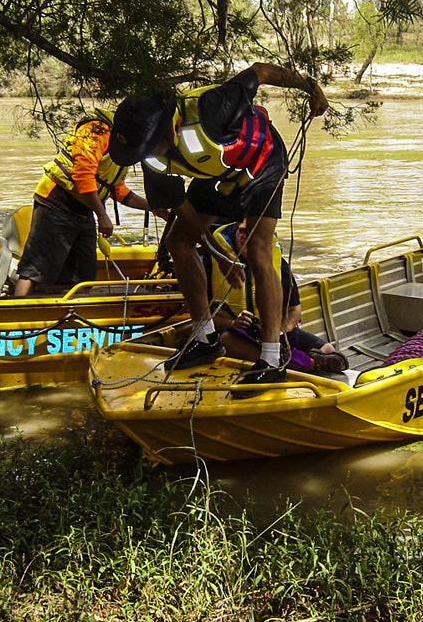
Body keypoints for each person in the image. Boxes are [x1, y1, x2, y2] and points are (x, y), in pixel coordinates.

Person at [108, 63, 329, 393]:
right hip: (221, 176)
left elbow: (261, 71)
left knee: (257, 249)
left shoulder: (212, 107)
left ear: (167, 127)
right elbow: (182, 213)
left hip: (262, 162)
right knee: (178, 242)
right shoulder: (150, 156)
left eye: (151, 145)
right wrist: (218, 254)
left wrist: (311, 86)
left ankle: (271, 359)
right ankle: (205, 338)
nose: (149, 153)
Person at [13, 108, 161, 296]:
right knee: (35, 269)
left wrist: (155, 207)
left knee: (84, 274)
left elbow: (118, 190)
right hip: (55, 203)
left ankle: (74, 316)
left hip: (84, 210)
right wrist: (102, 216)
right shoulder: (96, 131)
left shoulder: (124, 146)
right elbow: (83, 176)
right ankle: (17, 310)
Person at [205, 220, 348, 374]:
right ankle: (309, 365)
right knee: (227, 341)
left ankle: (312, 359)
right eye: (243, 231)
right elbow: (201, 317)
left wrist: (280, 331)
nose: (247, 237)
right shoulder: (213, 263)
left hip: (274, 331)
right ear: (235, 231)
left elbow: (294, 310)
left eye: (255, 232)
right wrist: (233, 323)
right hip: (235, 333)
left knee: (327, 349)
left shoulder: (278, 263)